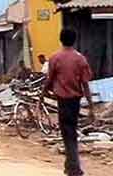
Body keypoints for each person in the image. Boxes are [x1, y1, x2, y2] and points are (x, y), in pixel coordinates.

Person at [42, 29, 95, 176]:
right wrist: (91, 106)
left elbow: (49, 80)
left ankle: (74, 168)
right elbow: (85, 84)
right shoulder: (81, 59)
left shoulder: (55, 58)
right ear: (75, 40)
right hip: (75, 101)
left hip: (62, 101)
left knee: (68, 133)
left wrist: (43, 94)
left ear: (60, 39)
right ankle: (70, 165)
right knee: (70, 131)